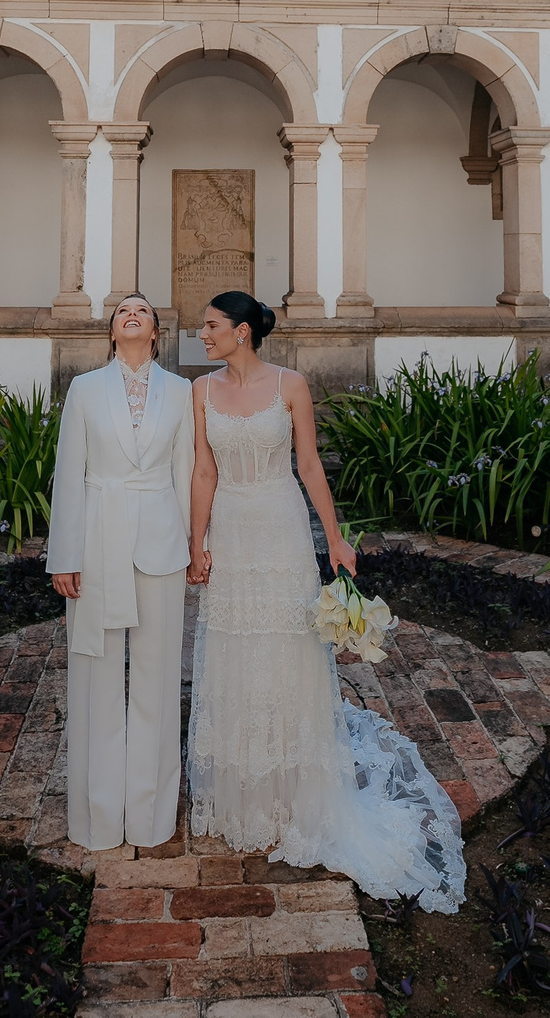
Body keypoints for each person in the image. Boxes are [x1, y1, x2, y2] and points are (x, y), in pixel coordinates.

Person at [184, 291, 465, 910]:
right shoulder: (200, 393)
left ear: (242, 333)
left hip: (282, 531)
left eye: (210, 325)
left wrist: (335, 538)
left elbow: (309, 465)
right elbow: (204, 471)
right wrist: (196, 543)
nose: (200, 333)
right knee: (233, 651)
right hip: (231, 528)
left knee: (286, 652)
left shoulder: (292, 384)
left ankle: (294, 793)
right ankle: (242, 794)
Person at [45, 294, 195, 852]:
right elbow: (68, 475)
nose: (131, 313)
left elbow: (185, 474)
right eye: (121, 311)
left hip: (159, 545)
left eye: (142, 309)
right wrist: (65, 555)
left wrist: (195, 546)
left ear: (156, 330)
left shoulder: (181, 392)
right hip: (96, 541)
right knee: (96, 681)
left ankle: (154, 816)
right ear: (112, 332)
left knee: (157, 680)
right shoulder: (84, 390)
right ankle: (98, 818)